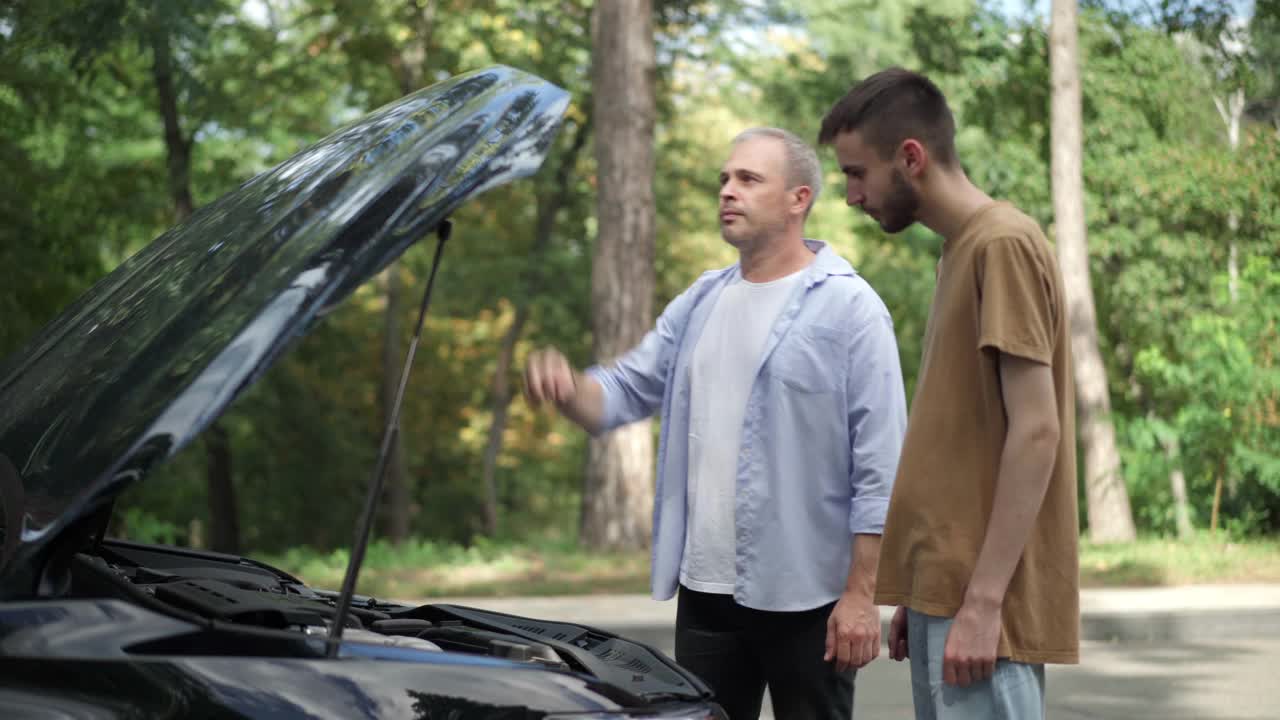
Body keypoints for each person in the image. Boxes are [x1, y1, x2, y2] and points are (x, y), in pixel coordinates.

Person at [523, 127, 907, 720]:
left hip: (808, 597)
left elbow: (882, 465)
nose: (728, 191)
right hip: (706, 594)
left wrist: (861, 595)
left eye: (749, 179)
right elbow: (623, 391)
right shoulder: (701, 300)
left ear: (797, 199)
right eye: (725, 179)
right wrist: (570, 389)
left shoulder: (851, 309)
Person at [816, 68, 1080, 719]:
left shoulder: (1003, 244)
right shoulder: (959, 251)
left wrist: (985, 600)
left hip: (987, 614)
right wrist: (925, 588)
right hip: (952, 597)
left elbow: (1037, 431)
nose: (851, 195)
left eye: (857, 173)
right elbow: (964, 440)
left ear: (911, 157)